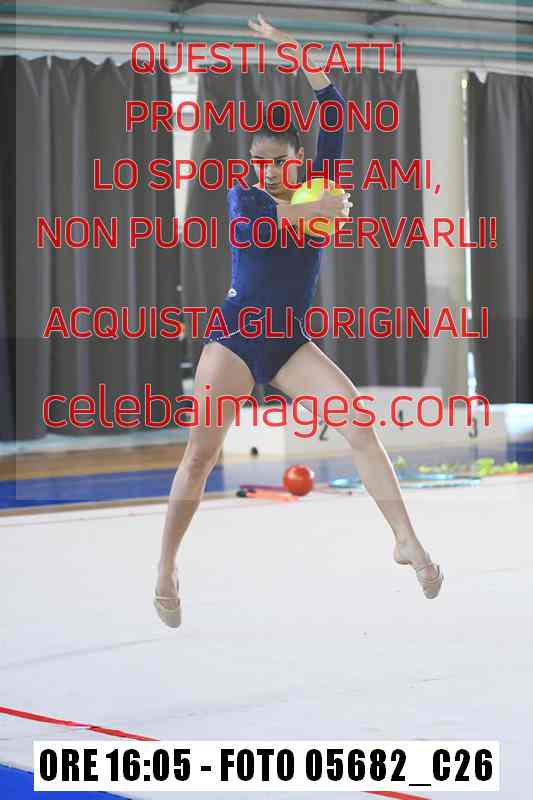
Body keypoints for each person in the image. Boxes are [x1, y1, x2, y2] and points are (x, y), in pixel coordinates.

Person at [154, 14, 443, 628]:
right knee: (200, 457)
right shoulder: (246, 196)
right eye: (257, 161)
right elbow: (267, 226)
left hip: (288, 343)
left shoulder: (318, 186)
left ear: (299, 158)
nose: (265, 170)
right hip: (235, 340)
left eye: (277, 161)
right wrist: (320, 208)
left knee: (359, 424)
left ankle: (405, 540)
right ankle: (166, 568)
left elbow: (334, 107)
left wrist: (294, 52)